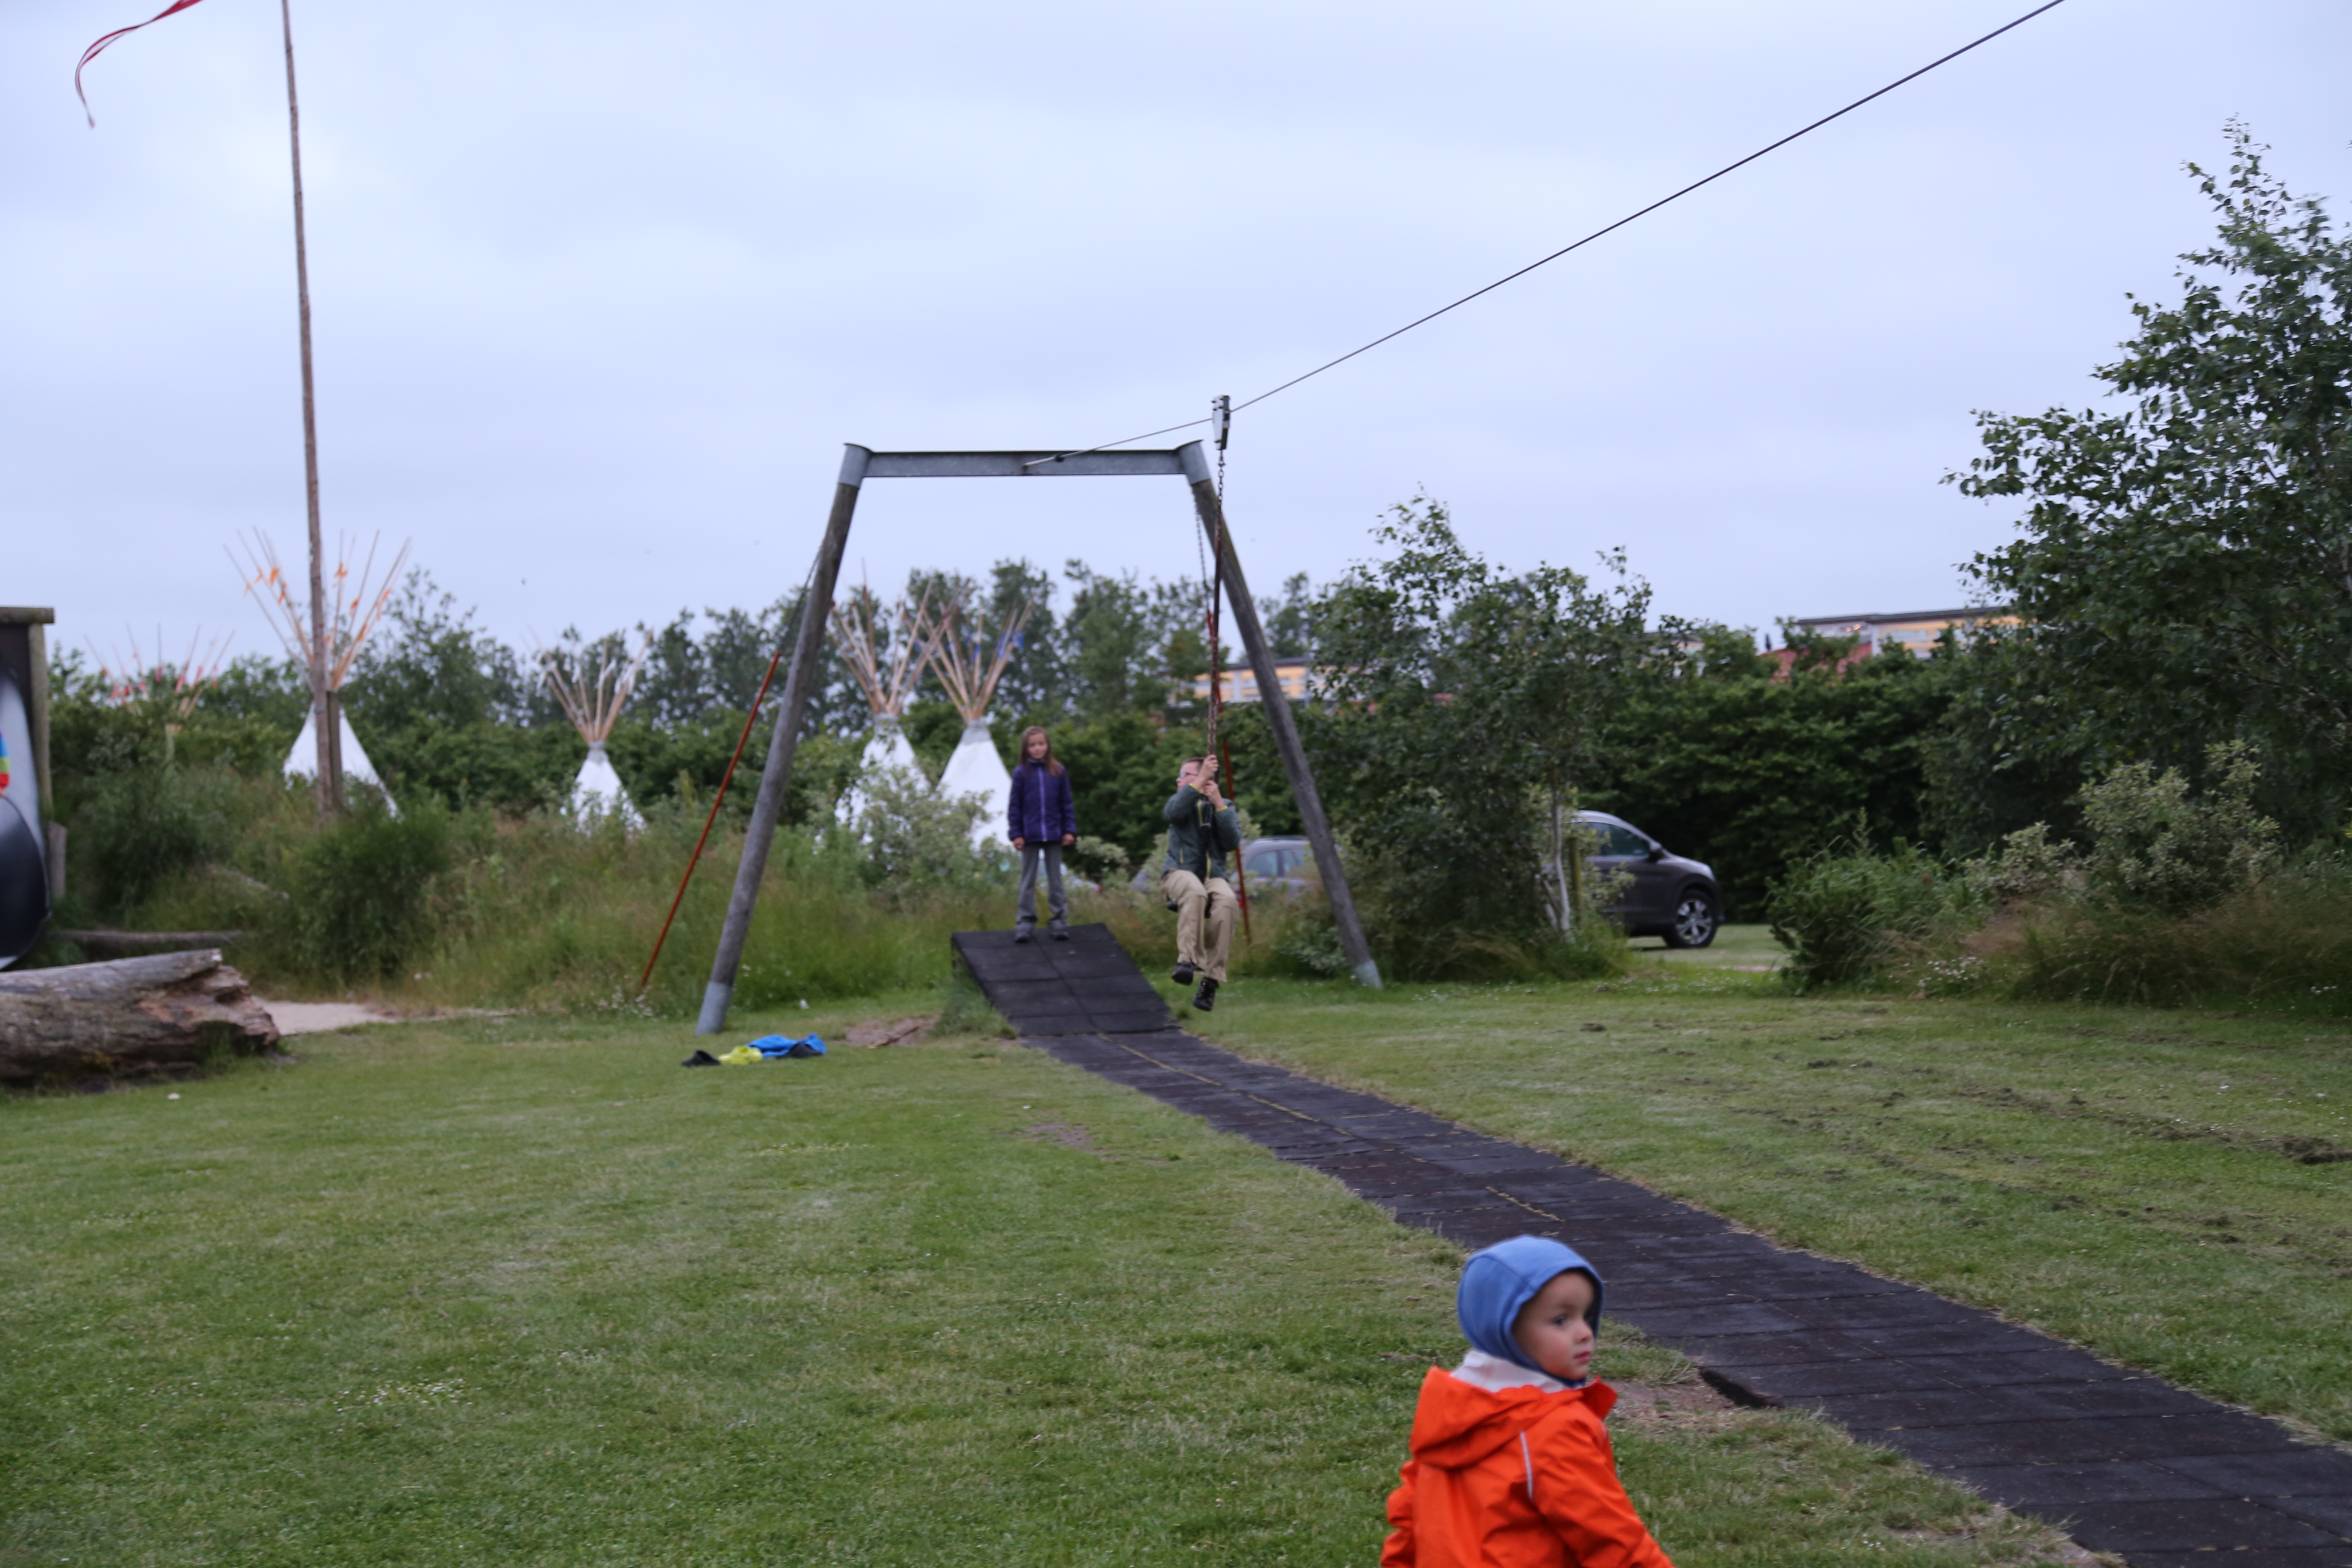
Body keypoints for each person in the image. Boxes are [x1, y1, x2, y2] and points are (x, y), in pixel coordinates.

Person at [1382, 1235, 1675, 1568]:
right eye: (1561, 1320)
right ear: (1506, 1328)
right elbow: (1611, 1538)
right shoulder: (1552, 1428)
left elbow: (1410, 1518)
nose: (1584, 1333)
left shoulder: (1450, 1406)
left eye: (1586, 1314)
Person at [1161, 754, 1240, 1011]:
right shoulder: (1182, 802)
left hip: (1212, 877)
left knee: (1228, 901)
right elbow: (1173, 813)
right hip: (1179, 873)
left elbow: (1231, 842)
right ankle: (1187, 962)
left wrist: (1218, 803)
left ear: (1202, 775)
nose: (1179, 779)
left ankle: (1211, 981)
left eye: (1185, 774)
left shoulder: (1223, 805)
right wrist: (1198, 784)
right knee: (1195, 892)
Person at [1008, 725, 1075, 943]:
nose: (1038, 749)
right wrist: (1016, 834)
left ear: (1048, 746)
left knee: (1056, 881)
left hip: (1055, 833)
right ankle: (1025, 923)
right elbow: (1014, 806)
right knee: (1028, 880)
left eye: (1041, 744)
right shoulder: (1021, 774)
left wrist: (1069, 830)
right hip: (1030, 835)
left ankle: (1059, 922)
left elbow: (1067, 803)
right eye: (1033, 745)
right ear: (1026, 749)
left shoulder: (1058, 772)